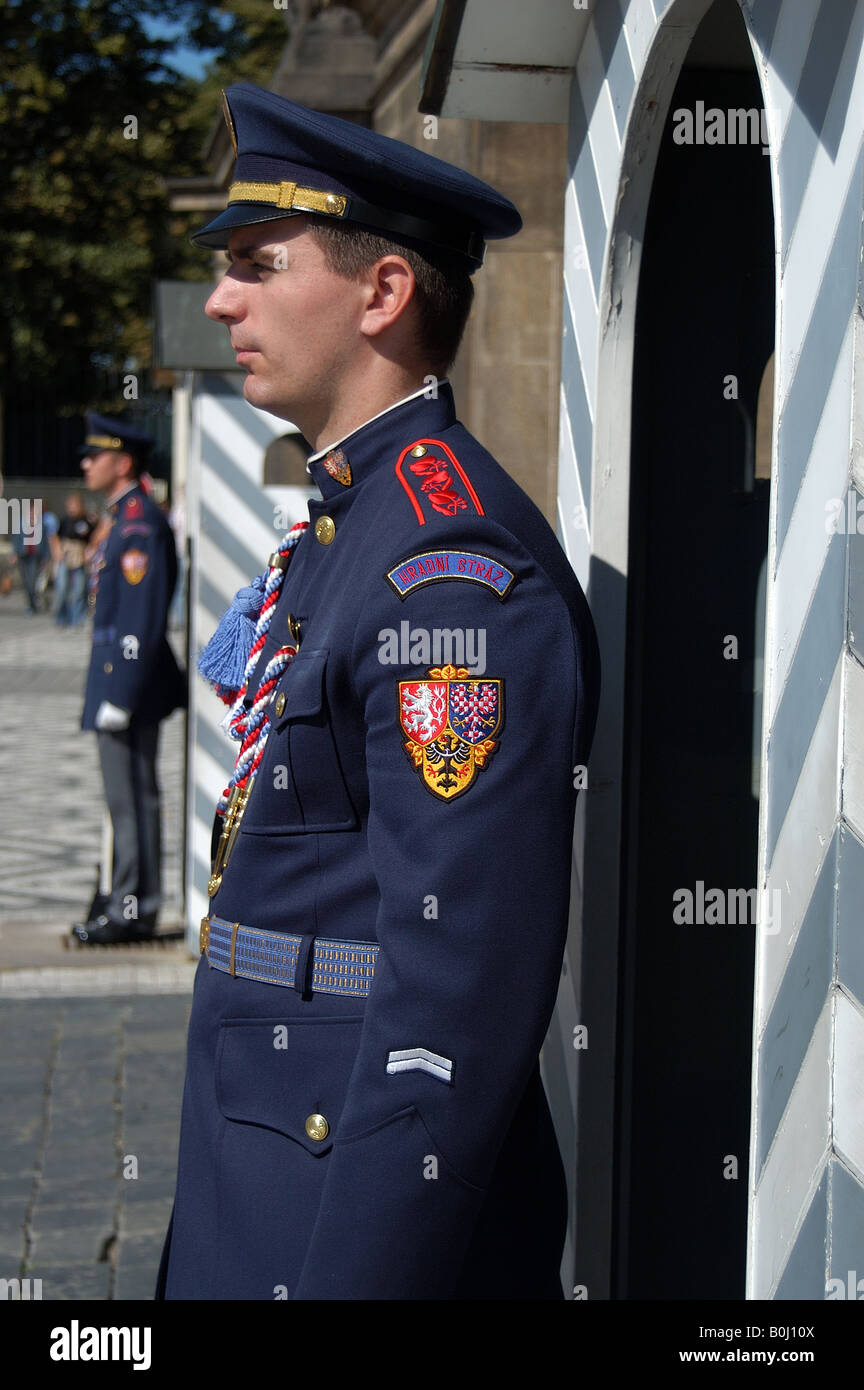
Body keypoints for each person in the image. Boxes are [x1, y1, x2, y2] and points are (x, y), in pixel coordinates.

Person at [157, 83, 600, 1301]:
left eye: (257, 263)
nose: (220, 299)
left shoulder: (448, 578)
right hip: (269, 1171)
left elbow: (450, 997)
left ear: (383, 292)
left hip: (338, 1219)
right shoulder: (357, 523)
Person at [71, 415, 187, 946]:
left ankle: (131, 907)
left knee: (131, 799)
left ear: (122, 463)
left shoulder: (139, 523)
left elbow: (141, 616)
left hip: (128, 684)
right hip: (121, 680)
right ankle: (128, 901)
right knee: (129, 798)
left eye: (95, 456)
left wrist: (120, 693)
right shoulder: (124, 518)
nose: (85, 464)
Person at [54, 491, 96, 627]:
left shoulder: (87, 521)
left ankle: (77, 619)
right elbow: (55, 537)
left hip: (80, 556)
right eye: (70, 505)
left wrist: (89, 552)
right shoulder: (64, 520)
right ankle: (62, 618)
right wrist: (57, 551)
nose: (72, 508)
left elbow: (94, 539)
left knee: (80, 589)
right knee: (62, 588)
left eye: (74, 505)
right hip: (65, 556)